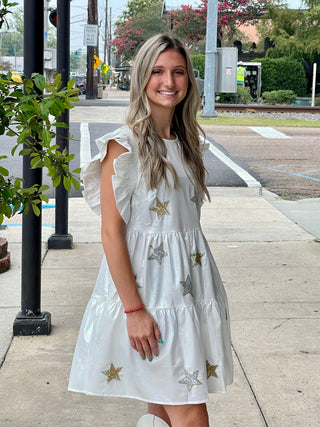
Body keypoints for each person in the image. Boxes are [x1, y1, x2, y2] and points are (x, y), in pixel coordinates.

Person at [68, 33, 233, 427]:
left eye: (178, 72)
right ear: (141, 77)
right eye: (158, 71)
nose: (169, 82)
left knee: (163, 404)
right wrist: (134, 310)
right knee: (190, 413)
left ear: (189, 80)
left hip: (188, 290)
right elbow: (111, 233)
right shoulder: (123, 148)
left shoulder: (187, 142)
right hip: (151, 298)